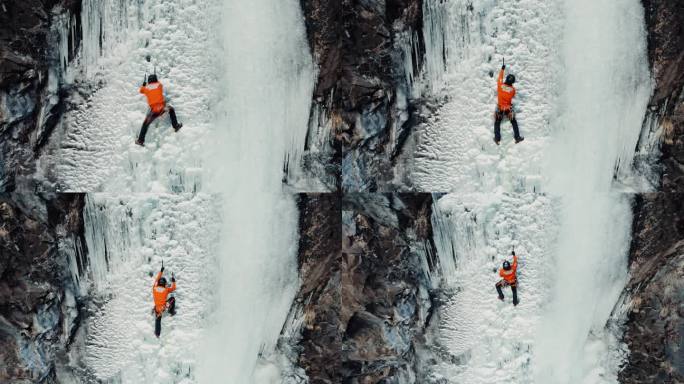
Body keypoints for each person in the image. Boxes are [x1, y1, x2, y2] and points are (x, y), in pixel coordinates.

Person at [136, 74, 182, 146]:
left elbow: (141, 90)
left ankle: (140, 140)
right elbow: (159, 86)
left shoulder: (146, 88)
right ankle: (176, 126)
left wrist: (144, 84)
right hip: (162, 108)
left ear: (149, 81)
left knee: (145, 124)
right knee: (171, 109)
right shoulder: (159, 85)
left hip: (154, 111)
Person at [494, 62, 523, 145]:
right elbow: (512, 95)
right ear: (512, 82)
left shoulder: (500, 86)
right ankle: (517, 137)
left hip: (500, 108)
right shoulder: (513, 90)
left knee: (497, 122)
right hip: (508, 109)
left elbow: (500, 78)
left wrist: (502, 69)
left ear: (506, 79)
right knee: (514, 122)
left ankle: (497, 138)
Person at [152, 264, 176, 337]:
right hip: (164, 307)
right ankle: (171, 311)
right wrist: (173, 281)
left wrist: (161, 271)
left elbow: (156, 280)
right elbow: (173, 288)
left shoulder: (154, 288)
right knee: (172, 299)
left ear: (159, 283)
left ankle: (157, 334)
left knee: (158, 320)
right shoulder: (166, 290)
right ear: (164, 284)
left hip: (157, 308)